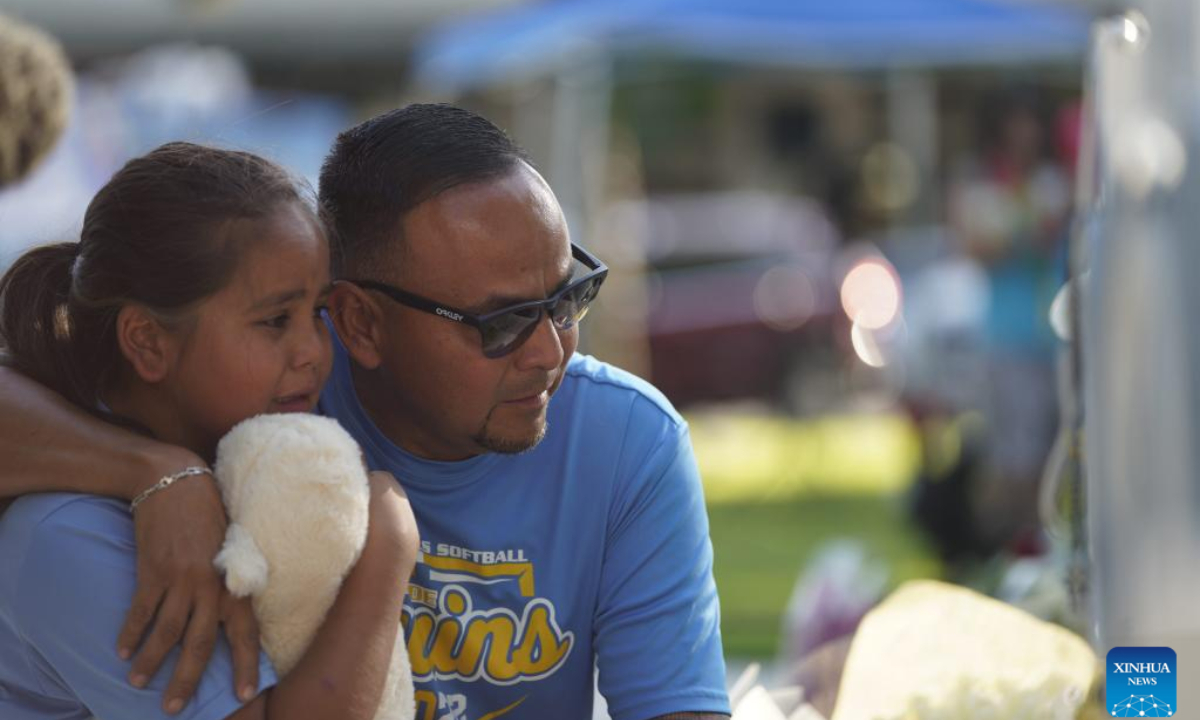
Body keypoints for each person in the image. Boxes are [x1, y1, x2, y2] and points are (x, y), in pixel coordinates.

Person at [0, 104, 730, 720]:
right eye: (500, 322)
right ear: (362, 324)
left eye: (566, 300)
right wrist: (383, 534)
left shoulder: (624, 438)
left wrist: (156, 473)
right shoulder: (267, 418)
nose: (549, 353)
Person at [0, 142, 418, 720]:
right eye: (275, 320)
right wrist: (390, 541)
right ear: (147, 341)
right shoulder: (70, 536)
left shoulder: (249, 429)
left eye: (317, 313)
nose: (314, 353)